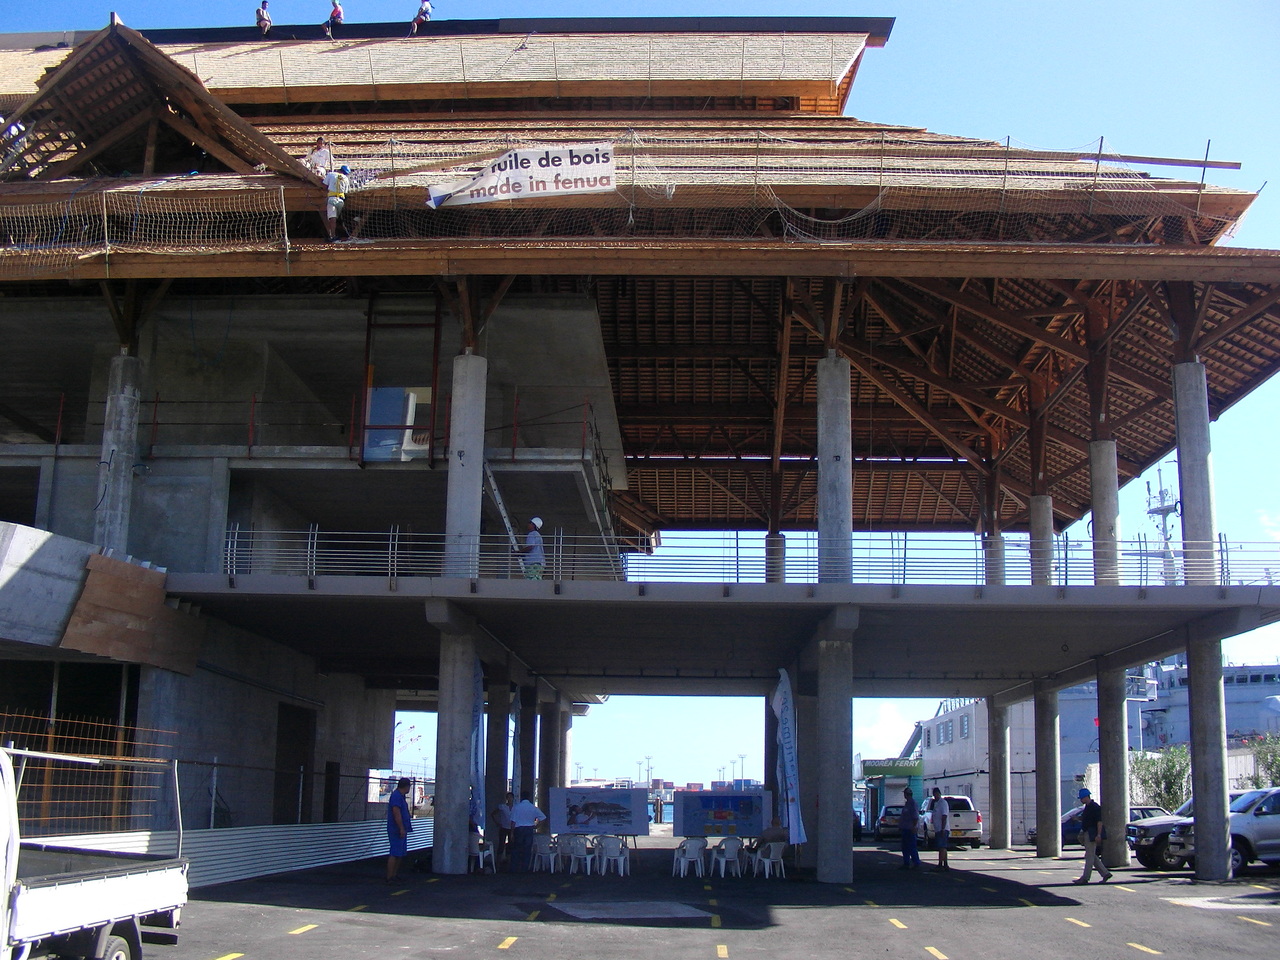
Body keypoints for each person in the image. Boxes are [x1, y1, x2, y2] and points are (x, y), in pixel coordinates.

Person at [1072, 788, 1113, 884]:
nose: (1081, 800)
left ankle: (1085, 878)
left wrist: (1098, 835)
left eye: (1081, 798)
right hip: (1088, 832)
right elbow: (1086, 819)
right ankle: (1105, 873)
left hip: (1092, 834)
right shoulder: (1088, 807)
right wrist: (1077, 818)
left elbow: (1099, 822)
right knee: (1090, 855)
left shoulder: (1095, 807)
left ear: (1086, 797)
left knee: (1089, 857)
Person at [509, 791, 545, 872]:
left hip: (518, 829)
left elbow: (513, 822)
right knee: (527, 849)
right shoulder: (533, 807)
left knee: (516, 848)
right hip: (529, 828)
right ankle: (525, 868)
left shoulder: (516, 807)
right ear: (529, 797)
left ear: (521, 797)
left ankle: (514, 868)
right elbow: (543, 818)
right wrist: (536, 826)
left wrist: (511, 833)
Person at [386, 777, 413, 883]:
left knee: (400, 853)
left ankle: (394, 874)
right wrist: (401, 828)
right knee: (395, 852)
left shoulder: (400, 796)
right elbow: (396, 813)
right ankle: (390, 877)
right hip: (396, 829)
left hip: (401, 828)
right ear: (406, 786)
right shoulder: (396, 797)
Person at [322, 164, 351, 240]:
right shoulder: (346, 179)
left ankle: (333, 236)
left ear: (339, 169)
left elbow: (324, 186)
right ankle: (344, 234)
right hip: (341, 200)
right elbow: (346, 191)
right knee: (338, 218)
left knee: (332, 218)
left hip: (332, 199)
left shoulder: (331, 174)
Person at [899, 786, 921, 870]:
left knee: (911, 846)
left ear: (907, 794)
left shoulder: (912, 803)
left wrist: (914, 826)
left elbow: (915, 816)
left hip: (910, 829)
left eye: (905, 794)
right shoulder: (907, 803)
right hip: (905, 828)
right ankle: (906, 863)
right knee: (905, 847)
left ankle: (916, 862)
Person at [929, 787, 950, 870]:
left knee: (942, 847)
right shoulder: (936, 803)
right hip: (938, 828)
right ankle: (945, 864)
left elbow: (944, 816)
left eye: (936, 794)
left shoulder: (943, 803)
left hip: (942, 829)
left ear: (939, 793)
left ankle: (940, 864)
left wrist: (943, 828)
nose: (935, 796)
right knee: (942, 847)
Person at [491, 791, 514, 865]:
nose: (510, 799)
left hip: (512, 828)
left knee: (510, 845)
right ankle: (498, 863)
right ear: (506, 798)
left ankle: (508, 862)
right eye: (508, 797)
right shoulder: (502, 807)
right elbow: (493, 814)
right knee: (501, 845)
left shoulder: (515, 807)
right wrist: (497, 823)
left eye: (511, 797)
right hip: (503, 828)